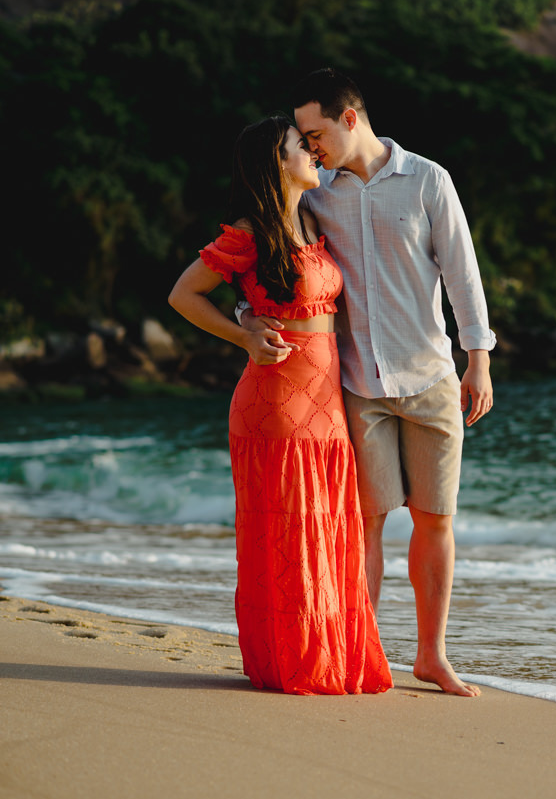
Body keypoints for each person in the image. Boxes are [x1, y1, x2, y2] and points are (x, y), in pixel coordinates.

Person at [241, 69, 496, 697]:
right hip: (356, 387)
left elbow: (463, 275)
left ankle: (432, 655)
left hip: (431, 377)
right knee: (366, 524)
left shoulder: (428, 180)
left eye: (315, 131)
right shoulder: (315, 194)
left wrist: (479, 358)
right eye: (302, 136)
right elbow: (274, 262)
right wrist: (248, 319)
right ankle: (364, 650)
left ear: (349, 118)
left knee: (436, 520)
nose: (309, 145)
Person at [168, 115, 392, 696]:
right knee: (292, 535)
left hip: (327, 401)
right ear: (277, 164)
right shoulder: (249, 233)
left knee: (327, 530)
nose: (314, 153)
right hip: (276, 405)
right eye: (302, 146)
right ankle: (294, 660)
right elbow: (183, 294)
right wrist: (242, 334)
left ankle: (326, 655)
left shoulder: (311, 221)